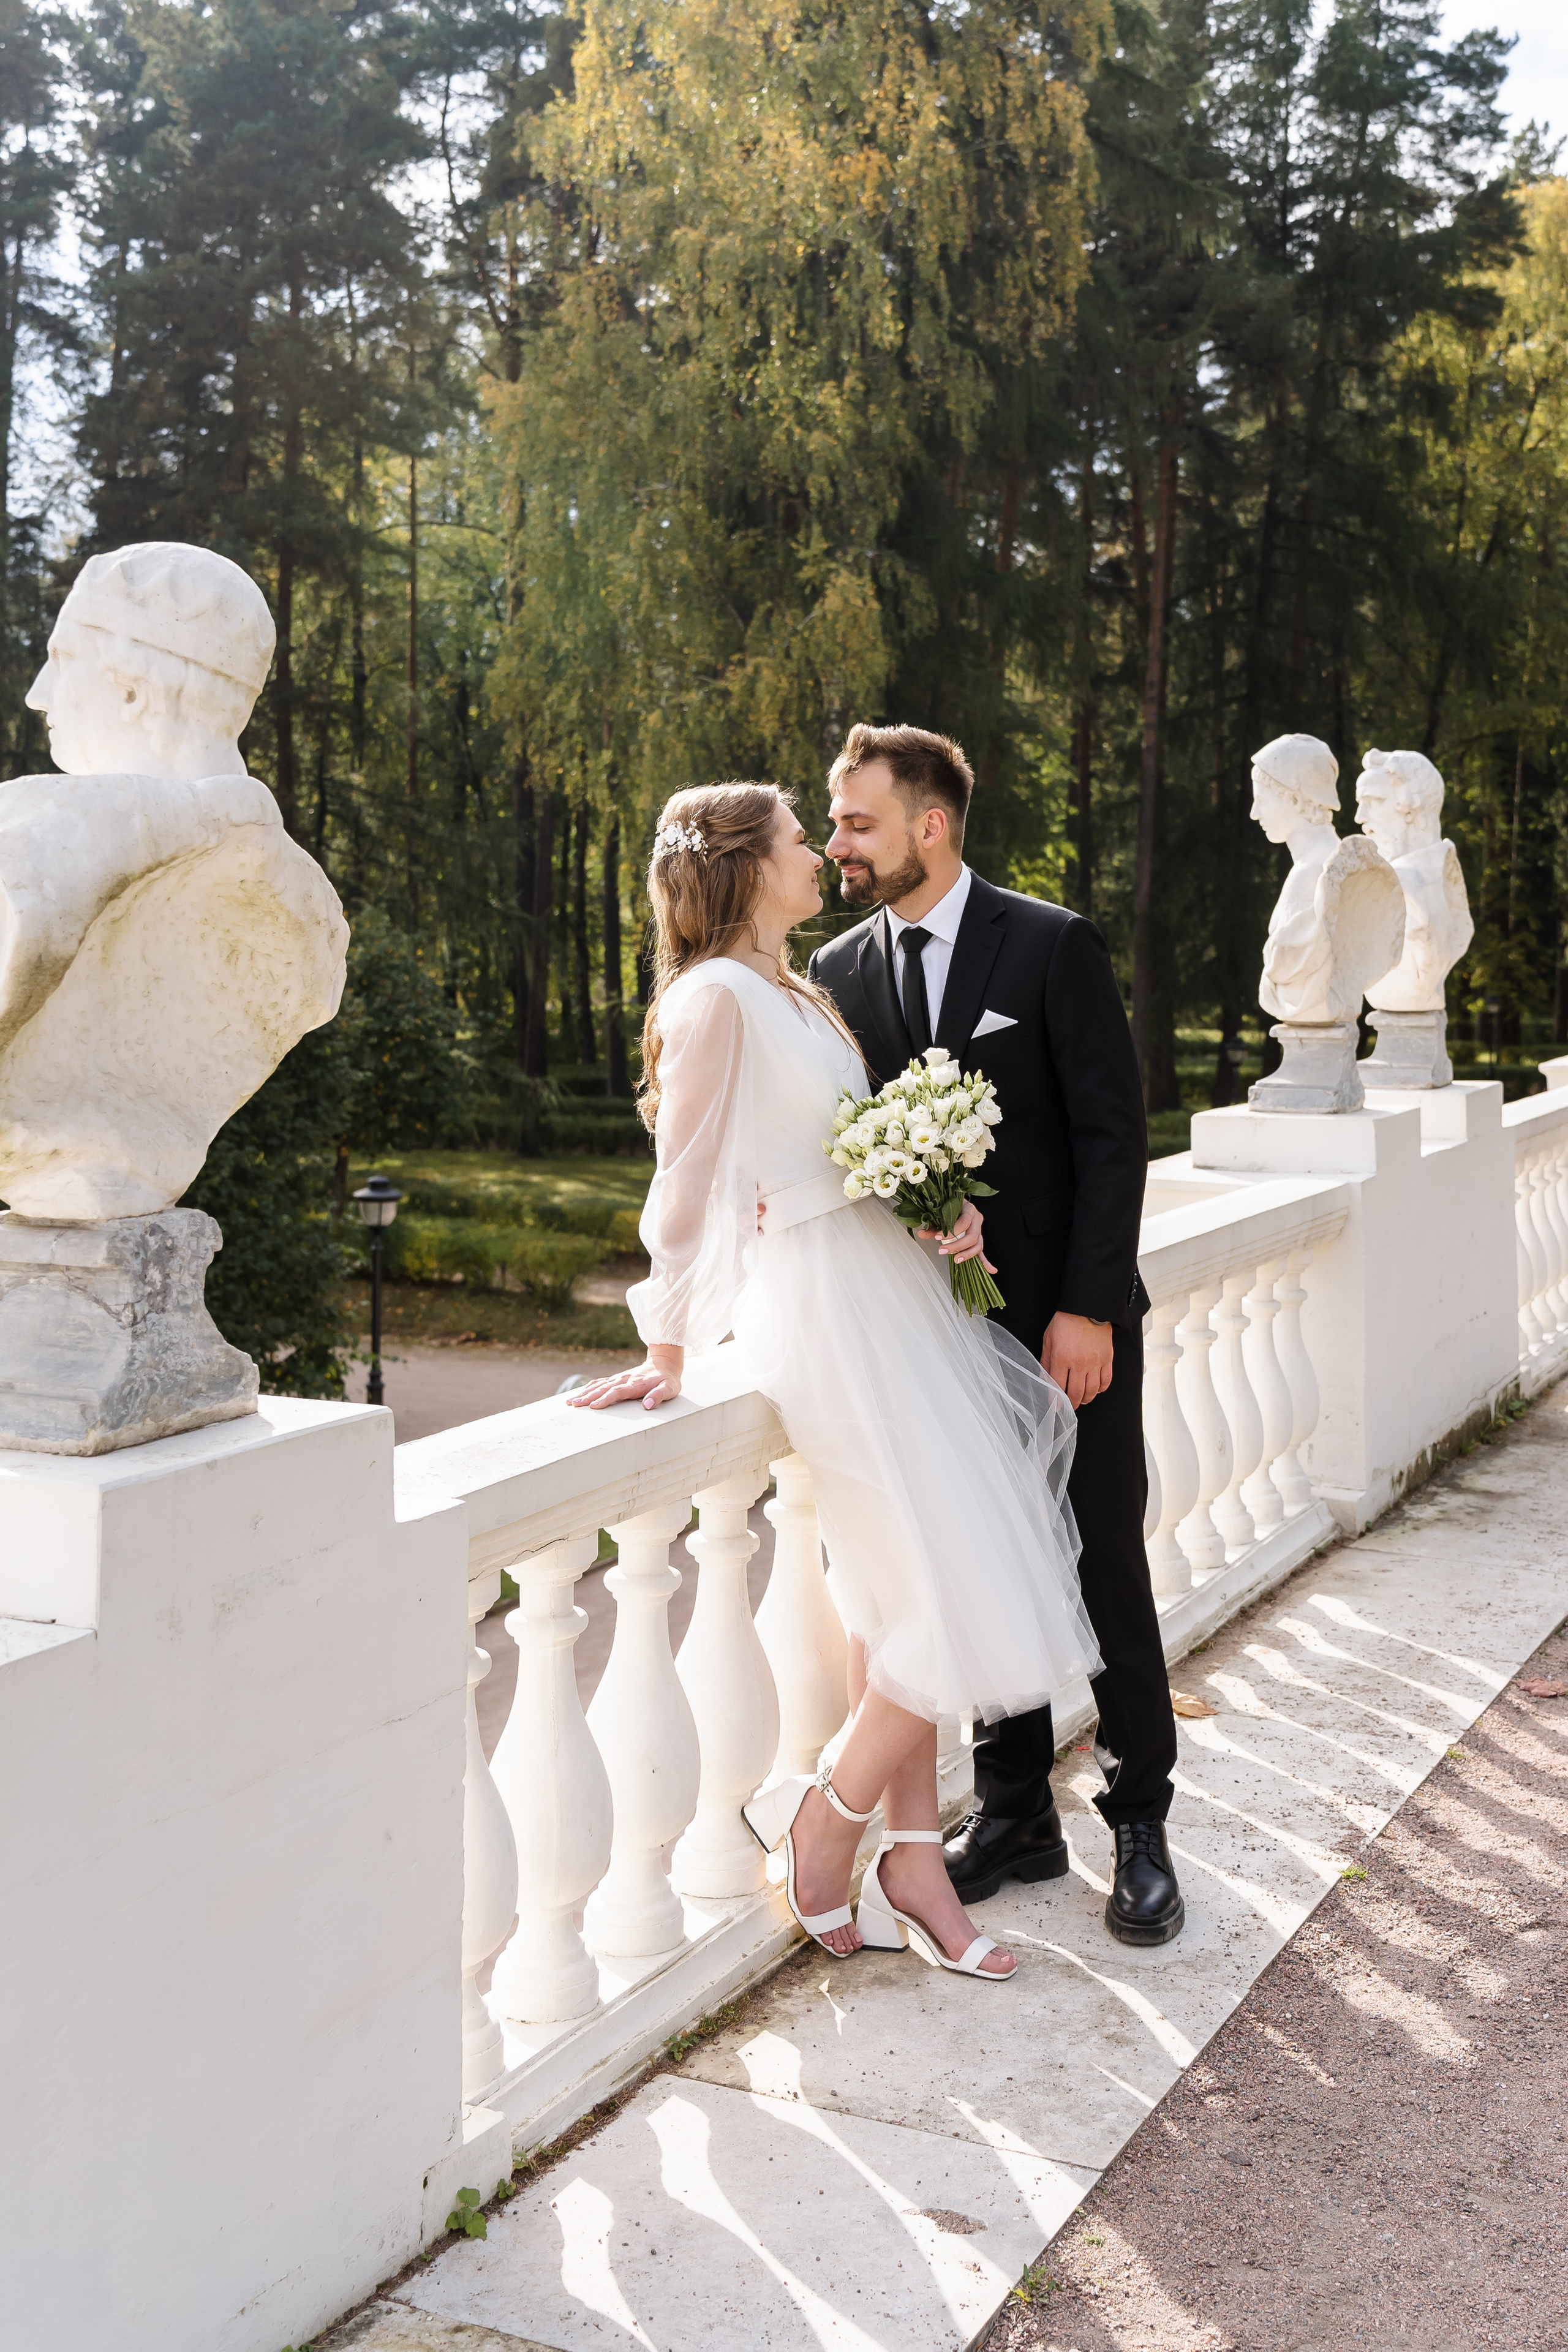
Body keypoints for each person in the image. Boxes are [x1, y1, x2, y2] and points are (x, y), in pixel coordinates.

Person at [568, 781, 1102, 1981]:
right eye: (799, 841)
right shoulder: (711, 1000)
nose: (820, 852)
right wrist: (664, 1342)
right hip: (817, 1310)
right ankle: (827, 1819)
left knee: (900, 1586)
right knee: (951, 1581)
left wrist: (933, 1205)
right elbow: (686, 1182)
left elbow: (835, 1150)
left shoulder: (793, 994)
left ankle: (910, 1859)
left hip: (886, 1291)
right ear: (751, 868)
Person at [807, 723, 1183, 1947]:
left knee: (1098, 1561)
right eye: (831, 823)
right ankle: (1015, 1812)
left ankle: (1138, 1820)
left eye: (856, 821)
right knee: (976, 1561)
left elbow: (1108, 1138)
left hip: (1065, 1329)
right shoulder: (838, 973)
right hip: (934, 1345)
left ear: (929, 823)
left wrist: (1084, 1305)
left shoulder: (1051, 945)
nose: (835, 844)